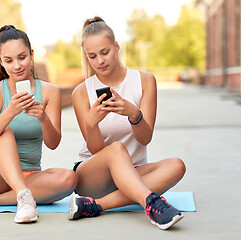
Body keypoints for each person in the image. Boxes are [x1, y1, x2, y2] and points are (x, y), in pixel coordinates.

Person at [68, 17, 186, 230]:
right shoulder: (80, 93)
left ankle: (95, 206)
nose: (100, 61)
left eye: (105, 52)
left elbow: (145, 138)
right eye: (92, 56)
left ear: (116, 46)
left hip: (132, 172)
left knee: (177, 165)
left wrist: (134, 114)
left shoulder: (145, 81)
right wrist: (92, 124)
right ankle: (152, 204)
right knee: (115, 150)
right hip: (93, 176)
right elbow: (95, 150)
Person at [0, 25, 78, 223]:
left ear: (31, 54)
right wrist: (9, 112)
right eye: (9, 60)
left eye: (22, 57)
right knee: (4, 132)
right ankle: (24, 197)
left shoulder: (49, 92)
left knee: (70, 179)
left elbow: (53, 143)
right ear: (0, 61)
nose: (17, 66)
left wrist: (44, 118)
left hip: (30, 175)